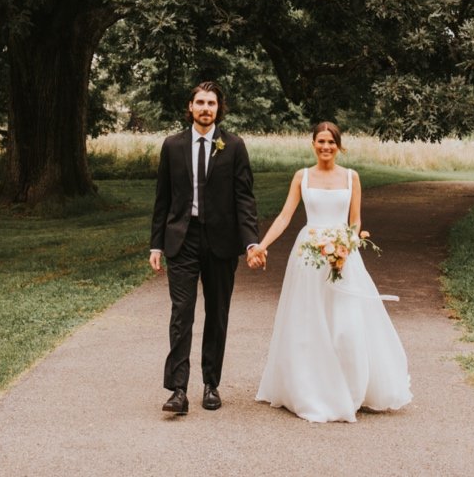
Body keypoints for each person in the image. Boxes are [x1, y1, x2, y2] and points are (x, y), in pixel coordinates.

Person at [253, 121, 412, 422]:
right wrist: (262, 246)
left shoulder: (352, 178)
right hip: (308, 256)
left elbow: (355, 221)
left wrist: (345, 248)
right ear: (313, 144)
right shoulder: (302, 177)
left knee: (346, 324)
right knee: (308, 322)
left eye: (331, 142)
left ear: (339, 146)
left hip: (343, 256)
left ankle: (351, 388)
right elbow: (286, 216)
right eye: (321, 141)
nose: (326, 147)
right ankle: (310, 389)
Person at [149, 81, 262, 415]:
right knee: (181, 314)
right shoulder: (172, 146)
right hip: (181, 240)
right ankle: (178, 390)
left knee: (217, 314)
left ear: (218, 108)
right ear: (190, 106)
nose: (205, 108)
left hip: (221, 242)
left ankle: (211, 384)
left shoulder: (234, 146)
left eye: (211, 103)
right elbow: (163, 200)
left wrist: (251, 240)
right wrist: (156, 244)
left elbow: (244, 198)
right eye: (200, 102)